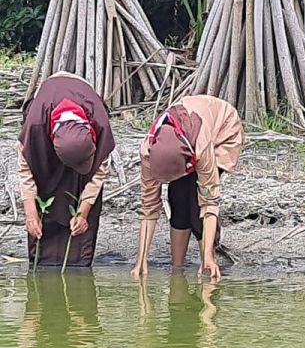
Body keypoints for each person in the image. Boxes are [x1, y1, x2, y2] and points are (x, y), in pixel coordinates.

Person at [132, 95, 245, 281]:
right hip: (184, 142)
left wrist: (208, 256)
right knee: (176, 197)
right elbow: (149, 207)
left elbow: (209, 203)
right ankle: (177, 269)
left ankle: (208, 263)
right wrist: (141, 260)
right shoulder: (147, 151)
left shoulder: (201, 145)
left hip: (222, 131)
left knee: (195, 202)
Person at [17, 72, 115, 268]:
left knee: (82, 217)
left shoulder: (100, 123)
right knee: (44, 195)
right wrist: (30, 214)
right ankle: (42, 262)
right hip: (48, 136)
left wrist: (82, 213)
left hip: (80, 133)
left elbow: (98, 174)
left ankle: (78, 262)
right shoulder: (35, 126)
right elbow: (26, 171)